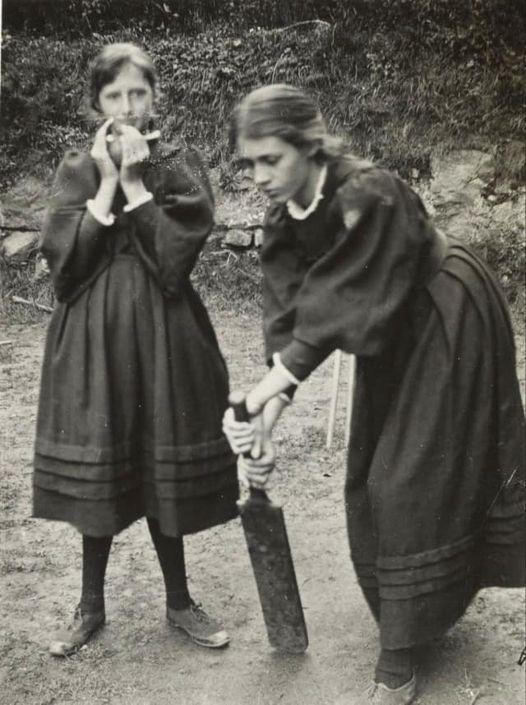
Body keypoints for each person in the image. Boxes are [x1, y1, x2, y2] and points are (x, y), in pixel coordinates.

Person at [222, 84, 525, 704]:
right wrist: (264, 422)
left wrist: (265, 394)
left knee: (411, 480)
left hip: (445, 315)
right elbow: (293, 328)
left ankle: (399, 657)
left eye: (270, 159)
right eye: (248, 163)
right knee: (370, 473)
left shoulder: (370, 192)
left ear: (309, 146)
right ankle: (415, 616)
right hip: (387, 333)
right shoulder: (284, 217)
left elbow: (342, 305)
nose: (258, 176)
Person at [34, 43, 238, 656]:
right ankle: (89, 605)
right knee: (103, 457)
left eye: (138, 93)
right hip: (91, 338)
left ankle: (179, 601)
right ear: (96, 102)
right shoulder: (75, 167)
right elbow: (66, 274)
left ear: (155, 95)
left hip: (164, 334)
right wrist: (102, 184)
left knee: (160, 458)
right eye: (114, 95)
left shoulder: (177, 164)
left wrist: (133, 182)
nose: (127, 106)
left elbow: (175, 264)